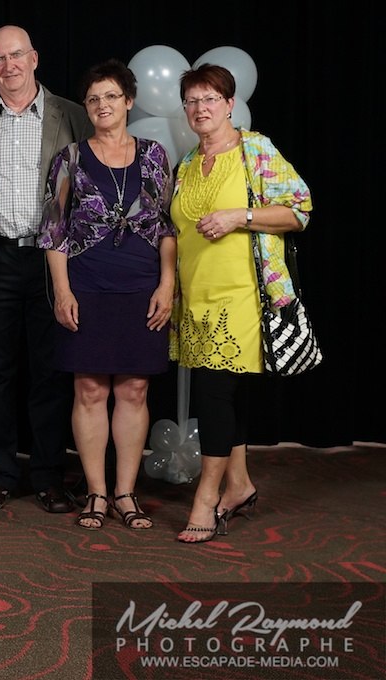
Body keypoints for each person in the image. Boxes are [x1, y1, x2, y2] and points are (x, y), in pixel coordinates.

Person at [0, 25, 92, 514]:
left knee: (50, 371)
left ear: (34, 58)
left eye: (16, 56)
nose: (8, 66)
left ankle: (50, 474)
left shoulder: (72, 115)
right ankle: (0, 472)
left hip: (55, 259)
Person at [170, 64, 312, 542]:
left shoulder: (255, 150)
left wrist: (240, 215)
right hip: (195, 296)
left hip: (242, 295)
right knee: (225, 398)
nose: (200, 108)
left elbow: (299, 210)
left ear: (230, 104)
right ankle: (240, 485)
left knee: (213, 396)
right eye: (191, 101)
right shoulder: (188, 162)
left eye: (210, 99)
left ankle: (207, 500)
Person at [38, 58, 176, 530]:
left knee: (134, 388)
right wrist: (61, 291)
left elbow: (167, 226)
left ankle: (126, 494)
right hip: (88, 285)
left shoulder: (155, 155)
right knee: (90, 388)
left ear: (129, 101)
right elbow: (53, 230)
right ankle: (96, 493)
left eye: (111, 97)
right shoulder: (70, 159)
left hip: (141, 286)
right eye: (93, 99)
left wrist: (167, 283)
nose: (102, 105)